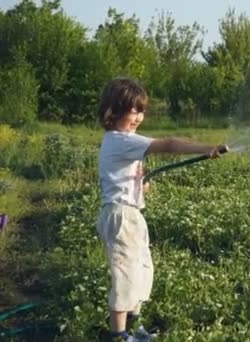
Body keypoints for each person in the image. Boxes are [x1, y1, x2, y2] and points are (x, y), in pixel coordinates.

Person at [96, 78, 227, 341]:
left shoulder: (123, 141)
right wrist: (206, 148)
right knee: (125, 274)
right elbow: (167, 145)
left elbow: (122, 177)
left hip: (130, 215)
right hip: (121, 215)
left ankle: (133, 327)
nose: (138, 117)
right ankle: (118, 335)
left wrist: (140, 185)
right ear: (113, 112)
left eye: (141, 111)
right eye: (133, 111)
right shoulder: (120, 140)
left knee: (141, 271)